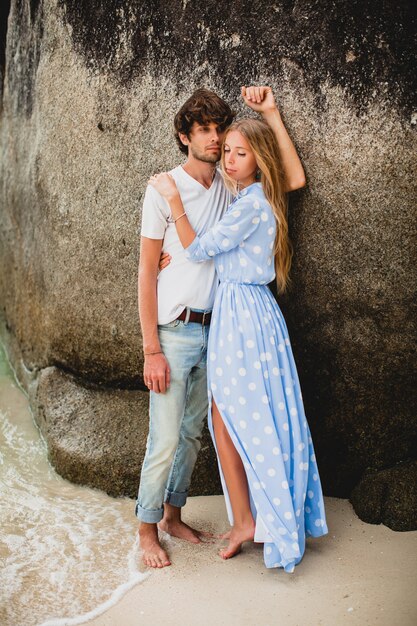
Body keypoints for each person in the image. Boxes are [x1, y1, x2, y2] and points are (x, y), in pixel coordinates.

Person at [149, 90, 328, 573]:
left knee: (239, 416)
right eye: (225, 149)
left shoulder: (251, 202)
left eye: (239, 152)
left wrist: (173, 206)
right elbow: (292, 179)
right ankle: (250, 518)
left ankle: (255, 518)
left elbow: (202, 247)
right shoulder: (246, 194)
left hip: (243, 315)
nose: (227, 157)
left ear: (258, 159)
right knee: (229, 417)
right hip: (244, 311)